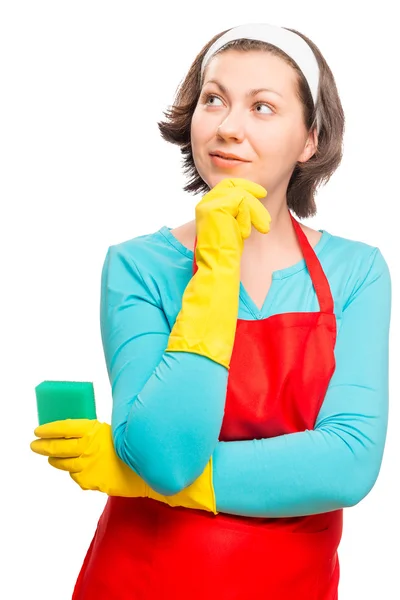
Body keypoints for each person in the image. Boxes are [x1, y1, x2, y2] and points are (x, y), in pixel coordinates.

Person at [30, 22, 392, 599]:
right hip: (141, 581)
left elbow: (348, 463)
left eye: (263, 107)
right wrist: (216, 270)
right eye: (214, 99)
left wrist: (139, 476)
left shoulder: (357, 273)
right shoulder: (138, 266)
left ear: (310, 140)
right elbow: (166, 455)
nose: (228, 127)